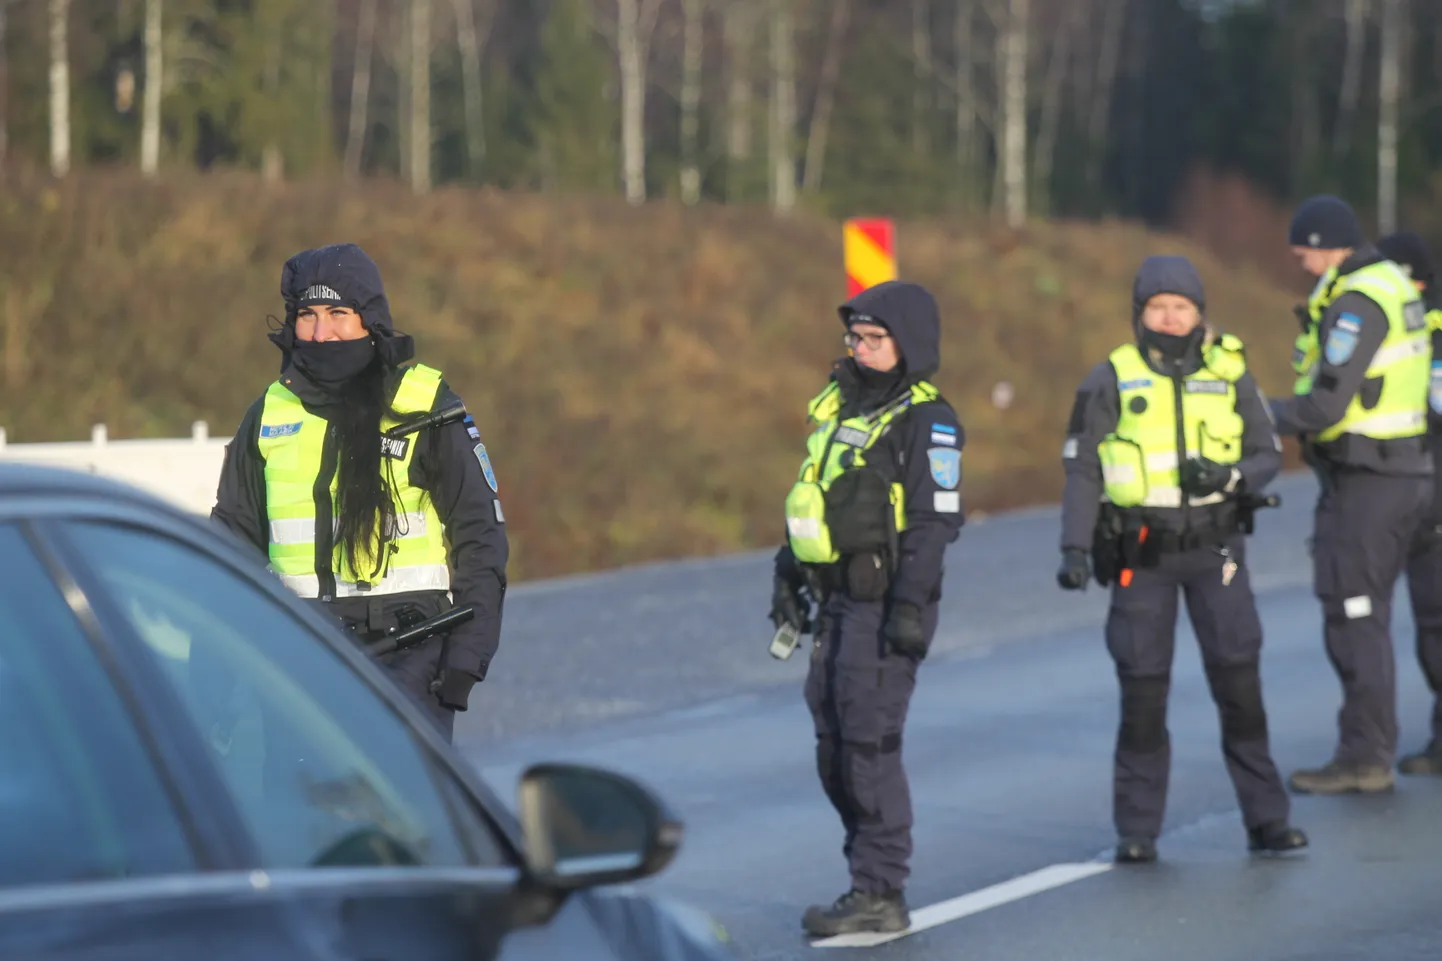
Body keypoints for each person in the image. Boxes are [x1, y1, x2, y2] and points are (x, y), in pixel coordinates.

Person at [1056, 255, 1306, 862]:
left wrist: (1229, 475)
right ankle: (1137, 831)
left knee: (1238, 679)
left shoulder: (1231, 373)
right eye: (1157, 307)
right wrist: (1074, 547)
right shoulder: (1108, 377)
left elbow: (1267, 454)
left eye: (1181, 307)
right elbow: (1083, 470)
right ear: (1139, 314)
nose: (1170, 318)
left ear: (1200, 313)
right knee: (1142, 690)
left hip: (1219, 548)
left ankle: (1267, 820)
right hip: (1141, 551)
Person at [211, 243, 508, 742]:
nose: (321, 332)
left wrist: (467, 656)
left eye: (337, 314)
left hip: (412, 652)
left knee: (396, 812)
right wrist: (210, 675)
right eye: (307, 315)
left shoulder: (427, 405)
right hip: (300, 653)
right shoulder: (268, 414)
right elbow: (228, 547)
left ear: (369, 320)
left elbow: (480, 533)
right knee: (299, 807)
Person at [770, 280, 964, 938]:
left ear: (908, 344)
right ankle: (868, 874)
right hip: (834, 599)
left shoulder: (926, 420)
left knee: (868, 743)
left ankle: (881, 887)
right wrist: (786, 573)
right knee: (833, 744)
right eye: (855, 336)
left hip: (885, 605)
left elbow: (933, 527)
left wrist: (909, 608)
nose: (861, 347)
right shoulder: (838, 404)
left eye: (875, 338)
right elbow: (814, 493)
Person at [1272, 196, 1433, 794]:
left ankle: (1366, 755)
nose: (1296, 257)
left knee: (1355, 613)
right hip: (1397, 473)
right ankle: (1367, 746)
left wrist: (1257, 416)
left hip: (1372, 479)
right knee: (1369, 614)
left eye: (1302, 246)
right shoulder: (1387, 284)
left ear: (1326, 243)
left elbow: (1324, 404)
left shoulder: (1358, 301)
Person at [1373, 230, 1442, 776]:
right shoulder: (1399, 319)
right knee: (1429, 623)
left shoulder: (1428, 323)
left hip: (1429, 487)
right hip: (1410, 488)